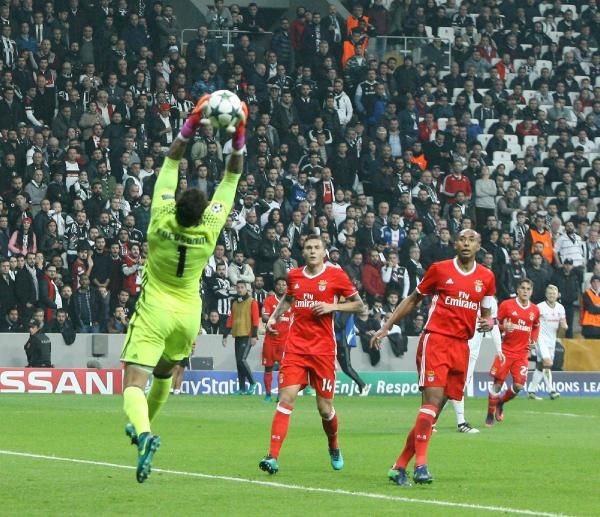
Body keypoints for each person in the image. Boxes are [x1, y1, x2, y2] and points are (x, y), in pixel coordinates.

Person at [120, 94, 248, 483]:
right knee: (163, 376)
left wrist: (192, 122)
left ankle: (143, 432)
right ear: (204, 210)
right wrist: (239, 132)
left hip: (155, 308)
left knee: (132, 381)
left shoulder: (159, 219)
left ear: (175, 206)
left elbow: (171, 161)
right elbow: (232, 177)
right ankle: (146, 428)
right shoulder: (210, 230)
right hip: (188, 315)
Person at [372, 229, 496, 485]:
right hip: (436, 340)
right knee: (432, 400)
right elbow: (414, 298)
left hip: (462, 345)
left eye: (471, 240)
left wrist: (487, 321)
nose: (466, 243)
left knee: (434, 412)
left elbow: (486, 310)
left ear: (478, 245)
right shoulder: (440, 269)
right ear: (455, 242)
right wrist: (387, 325)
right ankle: (421, 466)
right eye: (462, 239)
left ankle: (399, 466)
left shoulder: (486, 276)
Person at [259, 235, 364, 475]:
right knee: (286, 399)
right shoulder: (294, 276)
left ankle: (334, 446)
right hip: (296, 348)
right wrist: (274, 317)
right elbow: (289, 298)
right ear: (303, 252)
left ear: (324, 251)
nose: (313, 251)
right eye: (308, 247)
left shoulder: (336, 276)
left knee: (324, 409)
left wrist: (333, 307)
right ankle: (272, 456)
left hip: (323, 351)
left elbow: (359, 305)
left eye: (317, 247)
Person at [486, 278, 540, 427]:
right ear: (517, 289)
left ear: (532, 292)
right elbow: (493, 323)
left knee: (519, 386)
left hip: (522, 354)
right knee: (497, 384)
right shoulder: (506, 305)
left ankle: (500, 403)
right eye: (523, 288)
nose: (525, 291)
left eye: (528, 289)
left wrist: (533, 340)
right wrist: (504, 327)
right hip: (505, 351)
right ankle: (490, 414)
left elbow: (535, 326)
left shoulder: (534, 310)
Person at [448, 296, 500, 434]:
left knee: (458, 386)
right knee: (453, 385)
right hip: (457, 347)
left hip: (473, 352)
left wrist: (499, 348)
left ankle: (433, 420)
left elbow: (492, 325)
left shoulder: (490, 302)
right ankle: (460, 422)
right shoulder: (464, 296)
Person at [528, 285, 567, 400]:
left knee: (541, 365)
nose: (551, 295)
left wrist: (563, 326)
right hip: (540, 338)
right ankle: (551, 390)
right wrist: (532, 339)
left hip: (552, 340)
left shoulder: (560, 308)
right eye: (549, 293)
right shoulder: (539, 307)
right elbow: (532, 323)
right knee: (548, 362)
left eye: (553, 293)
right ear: (546, 295)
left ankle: (531, 391)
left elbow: (563, 325)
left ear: (557, 295)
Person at [222, 280, 261, 395]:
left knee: (241, 360)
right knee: (239, 362)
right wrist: (225, 335)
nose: (239, 289)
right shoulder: (234, 303)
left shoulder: (252, 302)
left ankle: (253, 383)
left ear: (246, 289)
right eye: (238, 287)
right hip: (238, 334)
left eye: (242, 287)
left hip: (247, 335)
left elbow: (255, 320)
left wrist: (254, 336)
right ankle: (242, 388)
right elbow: (230, 320)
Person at [261, 277, 291, 402]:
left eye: (284, 284)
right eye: (279, 284)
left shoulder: (291, 302)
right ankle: (268, 395)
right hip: (271, 339)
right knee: (268, 367)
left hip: (285, 340)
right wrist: (271, 321)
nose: (281, 287)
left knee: (283, 368)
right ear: (275, 286)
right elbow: (264, 316)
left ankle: (280, 394)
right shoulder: (269, 300)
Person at [335, 309, 366, 394]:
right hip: (334, 342)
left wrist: (326, 322)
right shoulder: (337, 308)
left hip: (343, 342)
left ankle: (362, 385)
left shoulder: (347, 309)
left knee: (346, 367)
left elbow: (340, 325)